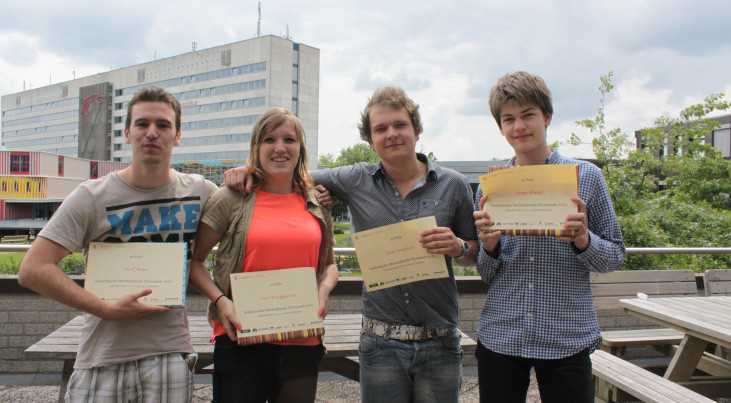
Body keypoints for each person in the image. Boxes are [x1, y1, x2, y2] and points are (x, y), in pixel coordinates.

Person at [224, 86, 478, 403]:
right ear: (370, 139)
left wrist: (458, 248)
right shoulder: (356, 178)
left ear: (416, 129)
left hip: (440, 340)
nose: (392, 134)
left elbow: (473, 255)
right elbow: (289, 172)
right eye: (380, 129)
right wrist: (247, 169)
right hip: (380, 341)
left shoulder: (453, 184)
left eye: (400, 125)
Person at [18, 86, 218, 402]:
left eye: (163, 125)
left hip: (170, 355)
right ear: (127, 133)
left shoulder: (201, 191)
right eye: (142, 124)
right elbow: (32, 269)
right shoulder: (91, 196)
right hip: (102, 357)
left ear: (177, 136)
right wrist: (104, 309)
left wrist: (246, 175)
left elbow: (256, 199)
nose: (152, 133)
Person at [472, 71, 626, 402]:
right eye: (509, 119)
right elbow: (486, 274)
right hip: (502, 334)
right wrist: (489, 247)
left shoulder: (586, 177)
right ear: (500, 127)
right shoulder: (492, 187)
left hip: (566, 336)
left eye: (528, 115)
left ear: (547, 117)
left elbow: (614, 256)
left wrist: (583, 240)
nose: (519, 127)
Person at [189, 107, 338, 403]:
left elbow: (330, 265)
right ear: (256, 147)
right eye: (269, 139)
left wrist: (324, 289)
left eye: (289, 140)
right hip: (241, 339)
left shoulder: (317, 202)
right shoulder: (230, 198)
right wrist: (221, 302)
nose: (280, 148)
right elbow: (193, 262)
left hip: (303, 340)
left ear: (301, 149)